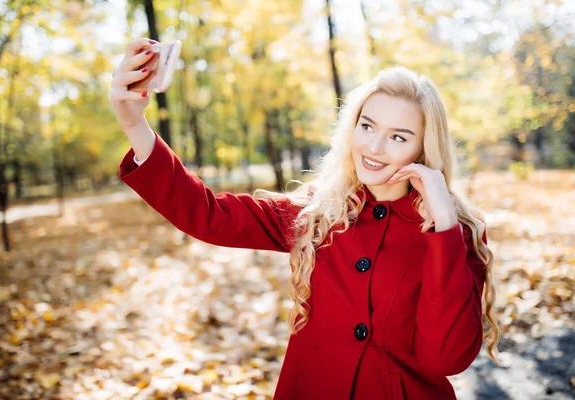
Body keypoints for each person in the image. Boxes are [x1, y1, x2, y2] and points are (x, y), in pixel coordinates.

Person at [110, 38, 500, 399]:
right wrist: (134, 124)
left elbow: (447, 358)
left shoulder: (454, 232)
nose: (374, 147)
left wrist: (443, 227)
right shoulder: (317, 211)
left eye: (399, 137)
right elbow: (208, 215)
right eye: (367, 126)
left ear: (423, 147)